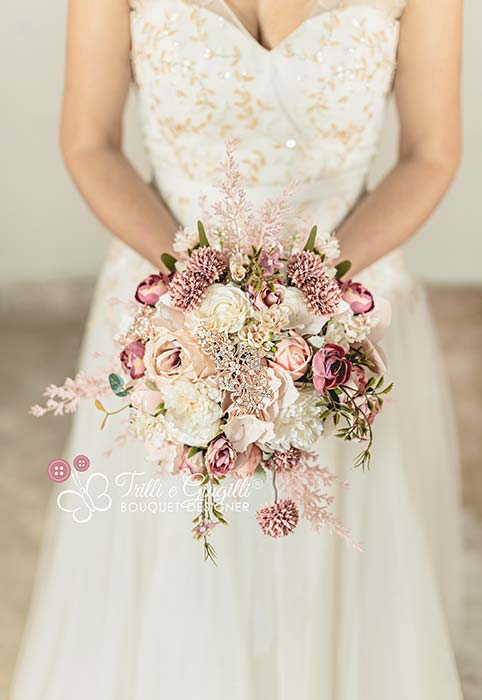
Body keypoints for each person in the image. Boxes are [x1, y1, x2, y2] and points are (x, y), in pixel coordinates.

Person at [11, 1, 464, 698]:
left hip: (342, 310)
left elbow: (431, 152)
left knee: (340, 555)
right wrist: (198, 291)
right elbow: (88, 140)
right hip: (165, 308)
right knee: (178, 562)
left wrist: (305, 294)